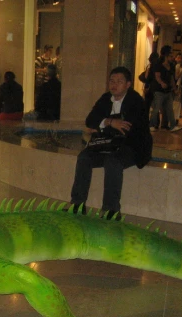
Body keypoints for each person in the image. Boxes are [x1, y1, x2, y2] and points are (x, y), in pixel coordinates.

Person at [69, 67, 152, 220]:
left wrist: (102, 126)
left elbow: (128, 130)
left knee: (112, 162)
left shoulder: (136, 101)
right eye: (112, 81)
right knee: (84, 157)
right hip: (107, 144)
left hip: (131, 146)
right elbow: (90, 120)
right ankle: (77, 203)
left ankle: (111, 210)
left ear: (128, 84)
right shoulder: (106, 98)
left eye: (119, 81)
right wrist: (110, 122)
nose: (114, 85)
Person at [149, 45, 180, 132]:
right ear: (166, 56)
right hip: (159, 90)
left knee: (170, 108)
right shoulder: (158, 64)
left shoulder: (172, 65)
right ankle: (151, 124)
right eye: (170, 55)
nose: (172, 57)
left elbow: (171, 78)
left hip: (168, 90)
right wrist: (162, 83)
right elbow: (157, 76)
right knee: (156, 108)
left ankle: (173, 126)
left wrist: (174, 89)